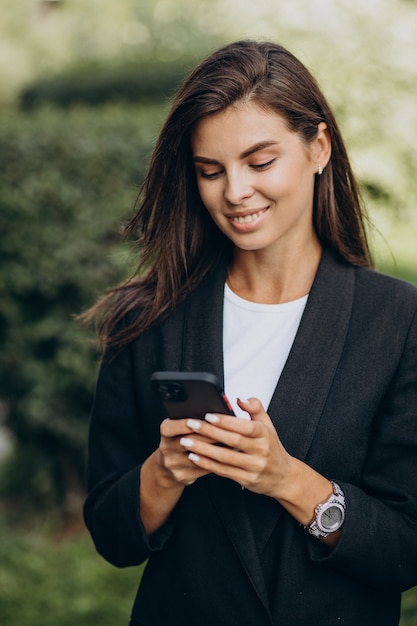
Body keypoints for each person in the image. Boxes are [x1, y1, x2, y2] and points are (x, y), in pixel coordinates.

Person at [83, 40, 417, 625]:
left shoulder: (397, 321)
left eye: (259, 162)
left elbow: (405, 547)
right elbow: (113, 537)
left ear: (319, 147)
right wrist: (164, 472)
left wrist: (287, 479)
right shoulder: (147, 318)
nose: (234, 192)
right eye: (210, 171)